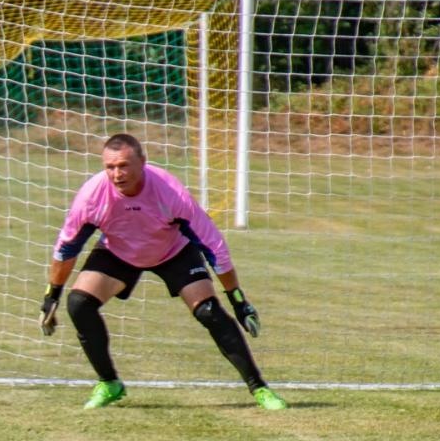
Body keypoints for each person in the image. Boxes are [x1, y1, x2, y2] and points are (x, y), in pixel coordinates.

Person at [39, 132, 288, 410]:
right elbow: (66, 248)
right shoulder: (91, 197)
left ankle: (259, 389)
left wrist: (238, 300)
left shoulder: (170, 192)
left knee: (209, 312)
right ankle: (109, 383)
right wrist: (52, 295)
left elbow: (213, 246)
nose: (117, 174)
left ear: (142, 162)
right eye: (110, 167)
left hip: (173, 252)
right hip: (119, 252)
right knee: (79, 304)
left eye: (124, 166)